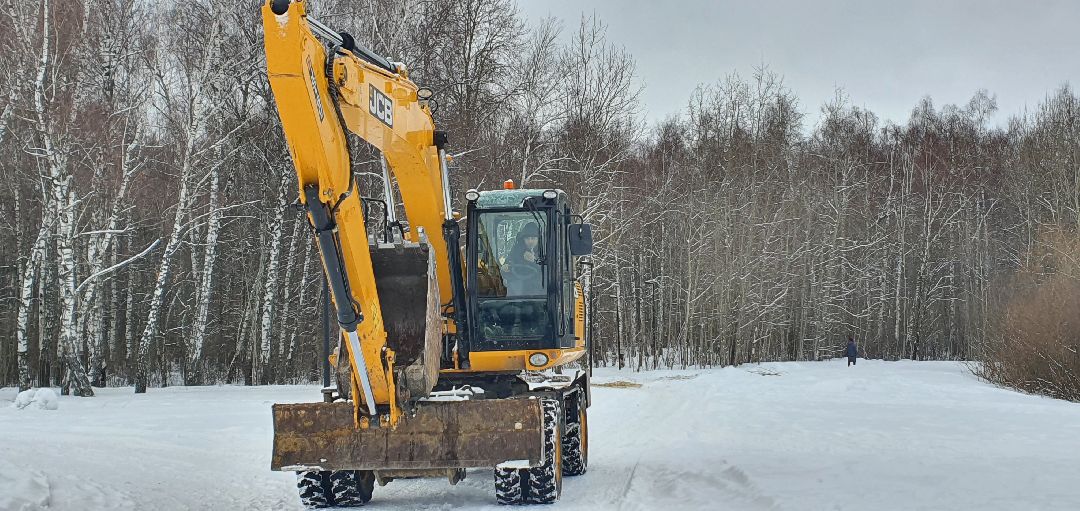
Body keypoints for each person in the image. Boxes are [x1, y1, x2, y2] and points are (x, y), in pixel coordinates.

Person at [505, 222, 543, 295]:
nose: (530, 241)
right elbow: (508, 264)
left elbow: (548, 273)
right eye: (527, 238)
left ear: (538, 239)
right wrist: (506, 267)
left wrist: (534, 261)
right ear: (523, 239)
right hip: (518, 290)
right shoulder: (516, 250)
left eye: (533, 238)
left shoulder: (545, 251)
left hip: (540, 292)